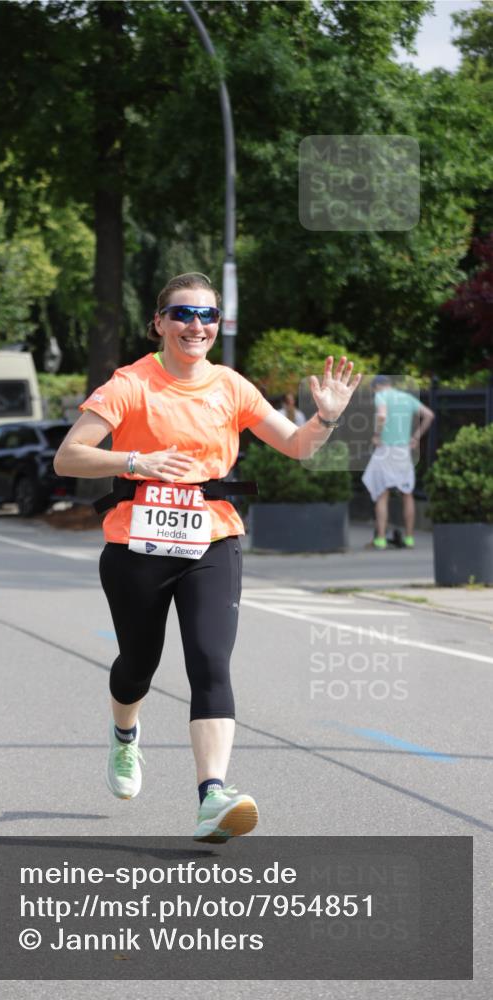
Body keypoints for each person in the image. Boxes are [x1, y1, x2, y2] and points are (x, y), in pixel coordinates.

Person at [54, 272, 361, 841]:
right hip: (136, 545)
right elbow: (68, 458)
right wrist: (135, 463)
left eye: (208, 316)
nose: (197, 325)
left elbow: (296, 447)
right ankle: (125, 736)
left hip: (212, 540)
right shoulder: (130, 384)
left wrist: (326, 418)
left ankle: (211, 795)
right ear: (160, 323)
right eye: (183, 314)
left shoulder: (231, 386)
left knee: (210, 660)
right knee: (137, 664)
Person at [362, 375, 435, 549]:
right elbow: (429, 415)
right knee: (407, 493)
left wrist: (377, 435)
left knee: (382, 493)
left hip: (386, 449)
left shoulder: (381, 396)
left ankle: (380, 539)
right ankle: (409, 538)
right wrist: (416, 437)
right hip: (403, 451)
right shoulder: (407, 397)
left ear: (376, 387)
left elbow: (381, 415)